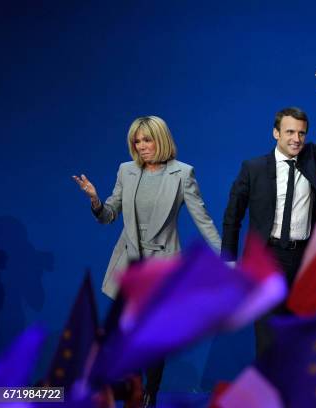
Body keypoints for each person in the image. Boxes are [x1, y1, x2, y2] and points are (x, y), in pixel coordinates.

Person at [73, 115, 221, 408]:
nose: (141, 146)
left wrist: (225, 258)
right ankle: (136, 391)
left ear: (161, 139)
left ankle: (150, 395)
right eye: (136, 141)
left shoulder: (182, 173)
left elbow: (203, 220)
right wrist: (94, 200)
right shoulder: (126, 171)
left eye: (147, 139)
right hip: (129, 265)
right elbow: (109, 215)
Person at [222, 68, 316, 355]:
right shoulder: (252, 169)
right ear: (275, 132)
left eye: (302, 133)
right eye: (290, 131)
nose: (296, 138)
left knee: (300, 337)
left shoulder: (312, 160)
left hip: (304, 258)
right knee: (267, 336)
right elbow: (233, 216)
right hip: (268, 257)